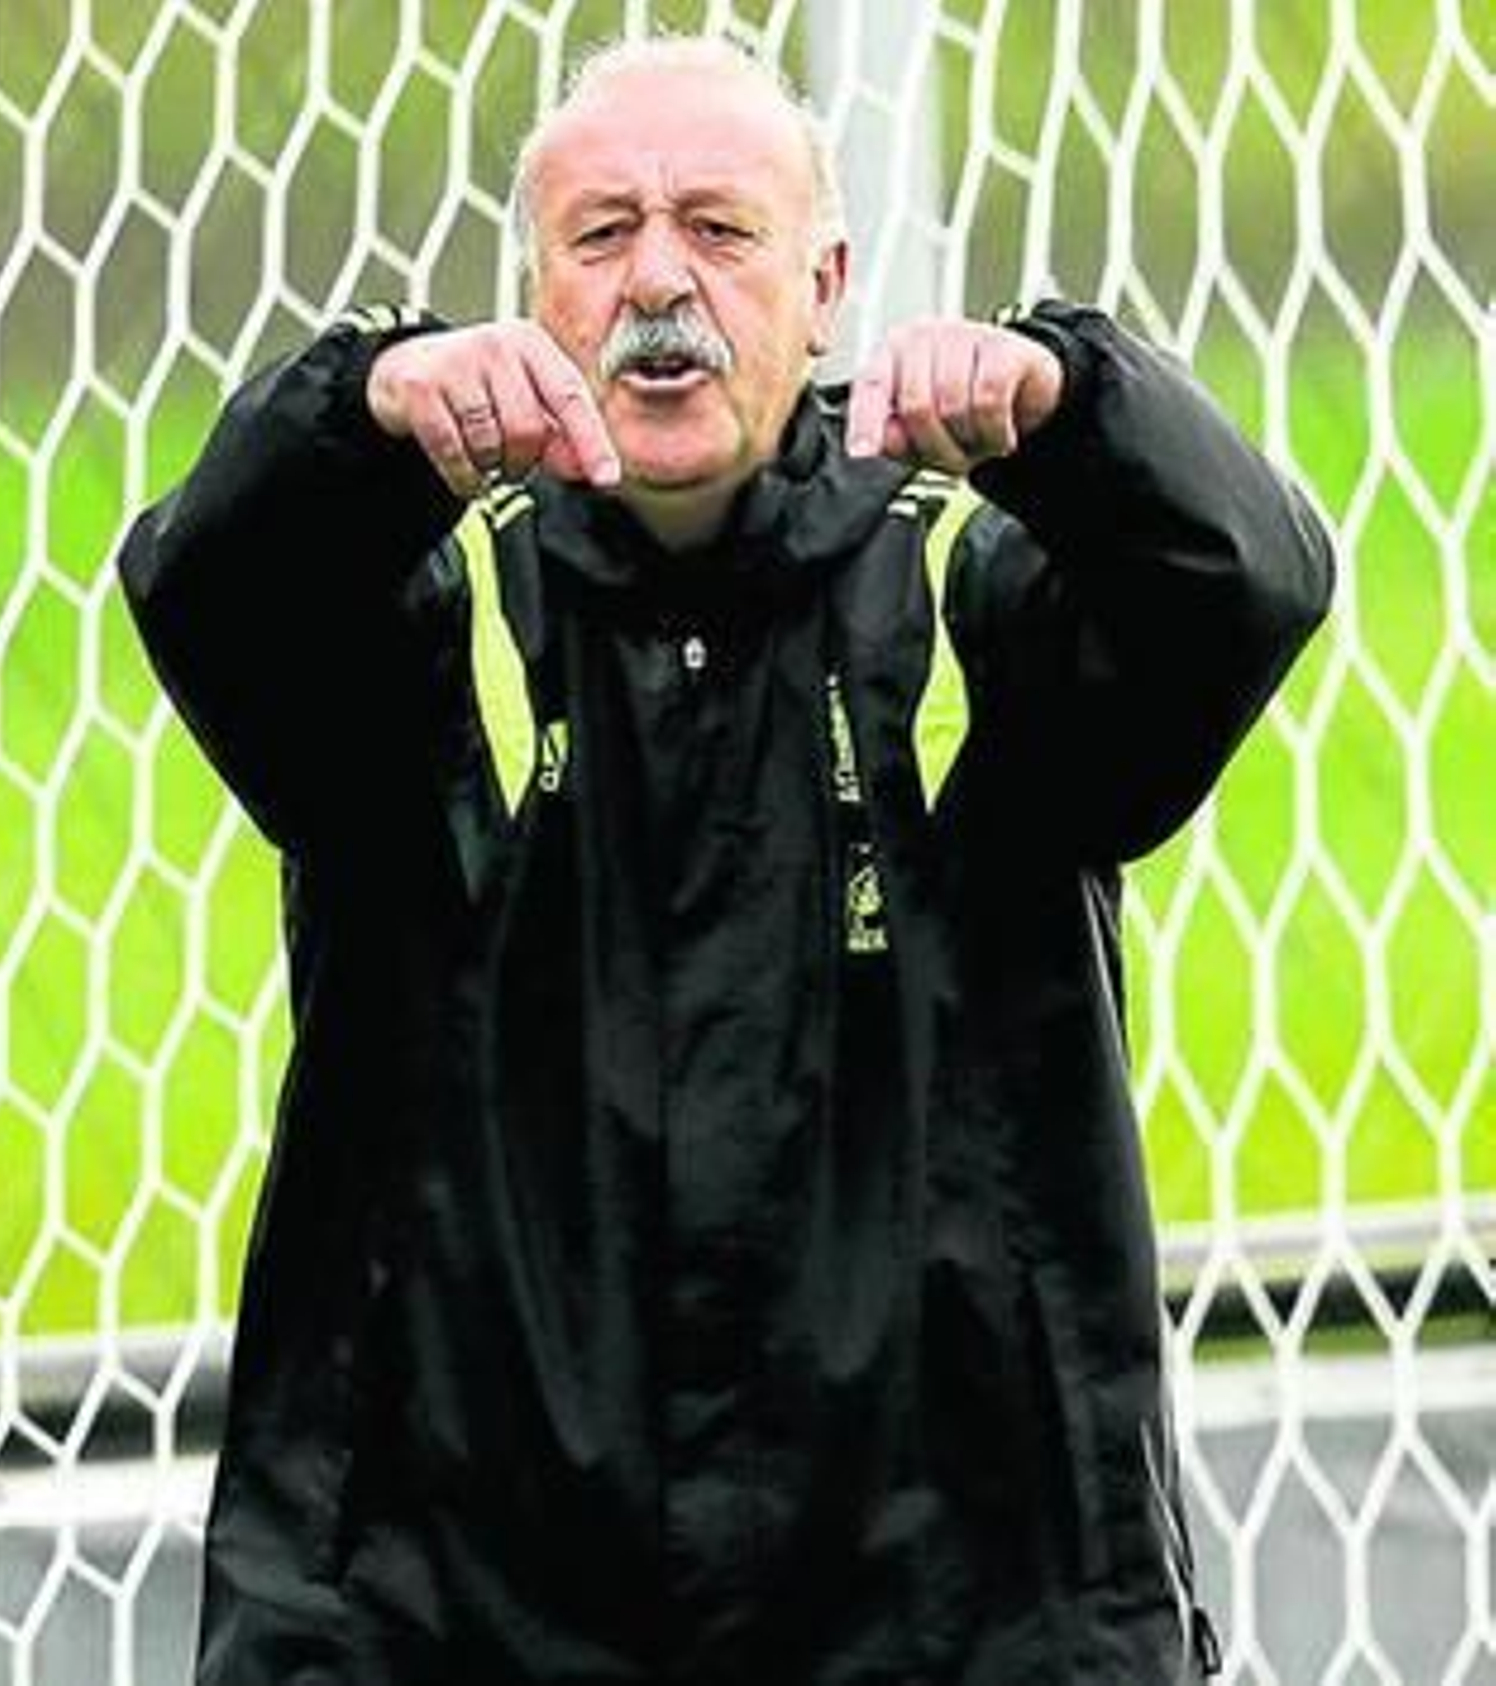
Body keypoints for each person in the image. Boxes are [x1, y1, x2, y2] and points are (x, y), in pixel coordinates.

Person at [119, 34, 1332, 1686]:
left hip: (957, 1610)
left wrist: (1075, 406)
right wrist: (362, 407)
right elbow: (205, 589)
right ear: (528, 290)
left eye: (719, 227)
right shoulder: (417, 613)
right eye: (603, 235)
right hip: (444, 1611)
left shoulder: (974, 587)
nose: (659, 283)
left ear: (827, 283)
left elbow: (1245, 584)